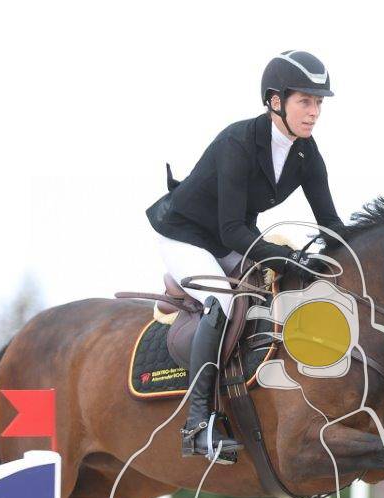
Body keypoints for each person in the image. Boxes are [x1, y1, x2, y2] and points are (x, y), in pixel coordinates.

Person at [146, 49, 347, 462]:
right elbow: (231, 230)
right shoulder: (238, 142)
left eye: (318, 103)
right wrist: (283, 255)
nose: (314, 112)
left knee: (277, 290)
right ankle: (197, 425)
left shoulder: (306, 154)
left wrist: (363, 253)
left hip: (228, 238)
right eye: (305, 101)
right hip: (185, 233)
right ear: (275, 101)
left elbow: (331, 224)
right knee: (221, 301)